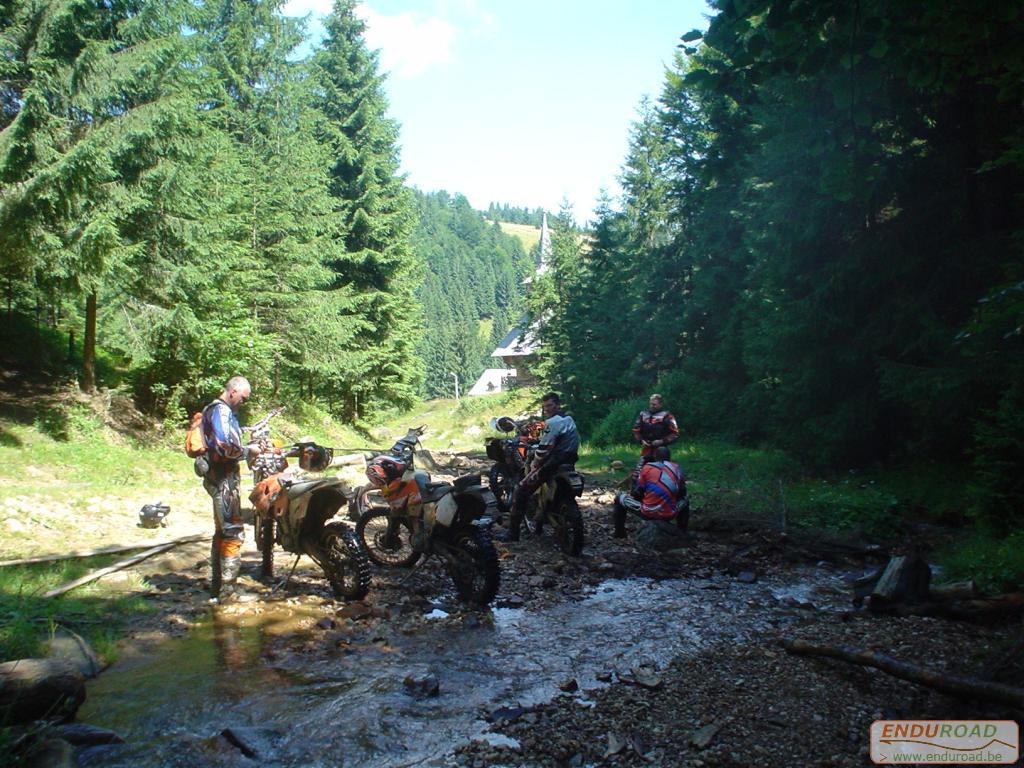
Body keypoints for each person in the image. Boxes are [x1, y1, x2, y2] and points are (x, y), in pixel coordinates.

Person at [200, 375, 256, 602]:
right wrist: (247, 452)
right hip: (223, 480)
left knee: (222, 532)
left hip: (219, 477)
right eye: (242, 398)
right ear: (233, 391)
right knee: (233, 532)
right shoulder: (221, 411)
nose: (243, 403)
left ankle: (217, 587)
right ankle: (227, 592)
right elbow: (223, 446)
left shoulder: (216, 411)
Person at [503, 392, 579, 542]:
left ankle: (513, 534)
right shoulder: (568, 420)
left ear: (558, 405)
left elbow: (543, 449)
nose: (547, 409)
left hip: (553, 464)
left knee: (520, 490)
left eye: (550, 405)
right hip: (569, 461)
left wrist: (535, 462)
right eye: (545, 407)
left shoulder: (553, 422)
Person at [613, 446, 686, 538]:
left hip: (648, 512)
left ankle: (619, 533)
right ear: (669, 458)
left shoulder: (647, 468)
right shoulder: (677, 468)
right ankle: (682, 531)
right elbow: (682, 493)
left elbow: (637, 493)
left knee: (619, 498)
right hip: (669, 514)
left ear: (655, 457)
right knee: (685, 500)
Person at [631, 393, 679, 486]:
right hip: (647, 449)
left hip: (661, 450)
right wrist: (641, 441)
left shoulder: (667, 416)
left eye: (654, 404)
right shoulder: (643, 414)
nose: (652, 406)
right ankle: (637, 494)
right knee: (637, 474)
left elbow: (675, 433)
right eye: (650, 404)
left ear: (660, 404)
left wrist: (662, 441)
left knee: (663, 474)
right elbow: (636, 430)